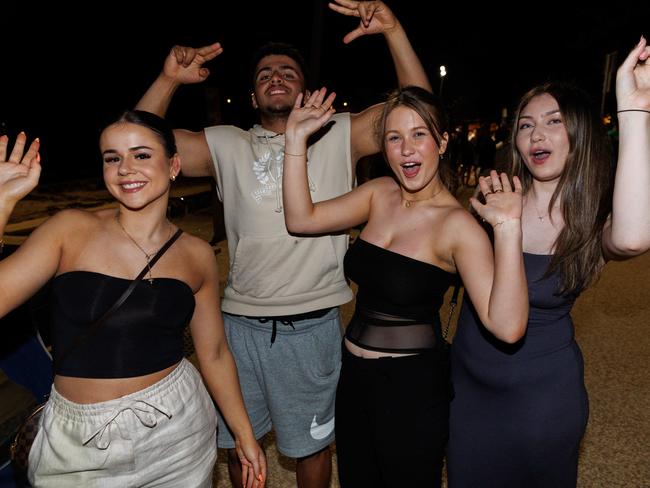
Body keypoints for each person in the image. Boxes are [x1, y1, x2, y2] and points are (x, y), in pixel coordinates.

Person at [135, 1, 431, 486]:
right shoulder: (224, 142)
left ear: (306, 90)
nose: (276, 76)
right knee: (237, 442)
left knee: (312, 448)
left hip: (312, 327)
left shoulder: (342, 133)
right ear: (252, 95)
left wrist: (394, 32)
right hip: (239, 327)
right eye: (265, 73)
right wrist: (168, 79)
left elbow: (419, 110)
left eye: (288, 71)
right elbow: (139, 145)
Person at [0, 112, 265, 487]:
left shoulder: (196, 254)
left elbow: (215, 352)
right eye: (112, 158)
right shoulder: (70, 229)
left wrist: (243, 434)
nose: (125, 168)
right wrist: (1, 202)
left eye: (141, 155)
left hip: (179, 428)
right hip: (78, 441)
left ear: (173, 165)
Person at [281, 85, 529, 487]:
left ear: (443, 142)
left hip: (411, 390)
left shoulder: (458, 226)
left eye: (419, 134)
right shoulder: (379, 194)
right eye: (394, 137)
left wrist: (508, 229)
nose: (406, 149)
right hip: (354, 379)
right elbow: (300, 218)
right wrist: (295, 141)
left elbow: (508, 326)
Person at [447, 37, 650, 487]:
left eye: (554, 122)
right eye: (525, 125)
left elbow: (634, 239)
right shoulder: (492, 198)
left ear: (578, 135)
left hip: (541, 400)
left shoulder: (589, 219)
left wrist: (634, 110)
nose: (536, 134)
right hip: (467, 393)